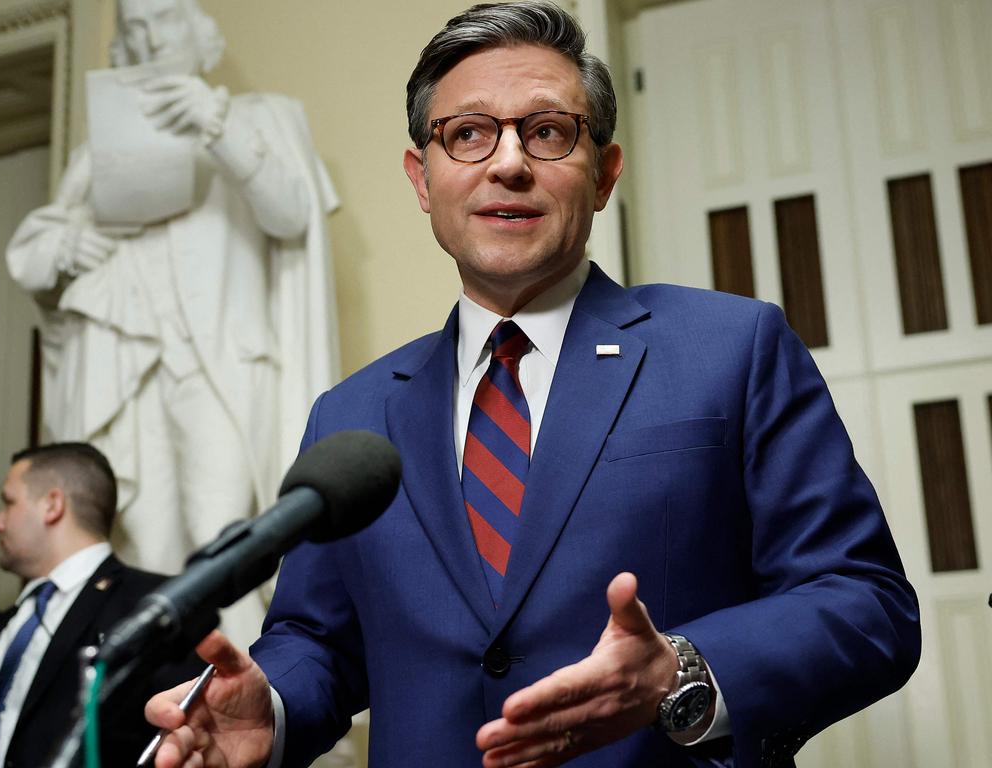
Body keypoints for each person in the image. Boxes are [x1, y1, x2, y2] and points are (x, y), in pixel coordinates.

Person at [145, 3, 921, 767]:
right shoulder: (351, 418)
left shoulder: (732, 348)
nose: (508, 162)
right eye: (468, 134)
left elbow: (865, 603)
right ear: (423, 178)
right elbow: (318, 640)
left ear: (604, 173)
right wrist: (270, 709)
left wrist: (680, 671)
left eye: (547, 132)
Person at [4, 0, 339, 648]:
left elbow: (292, 214)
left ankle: (247, 705)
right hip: (127, 368)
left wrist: (219, 127)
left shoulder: (259, 115)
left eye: (161, 19)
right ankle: (155, 713)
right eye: (131, 29)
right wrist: (70, 247)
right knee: (144, 546)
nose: (146, 38)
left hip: (219, 360)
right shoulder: (95, 151)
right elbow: (39, 251)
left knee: (225, 539)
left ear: (199, 33)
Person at [0, 443, 203, 767]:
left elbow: (185, 738)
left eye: (8, 503)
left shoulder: (155, 604)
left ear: (52, 505)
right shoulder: (4, 622)